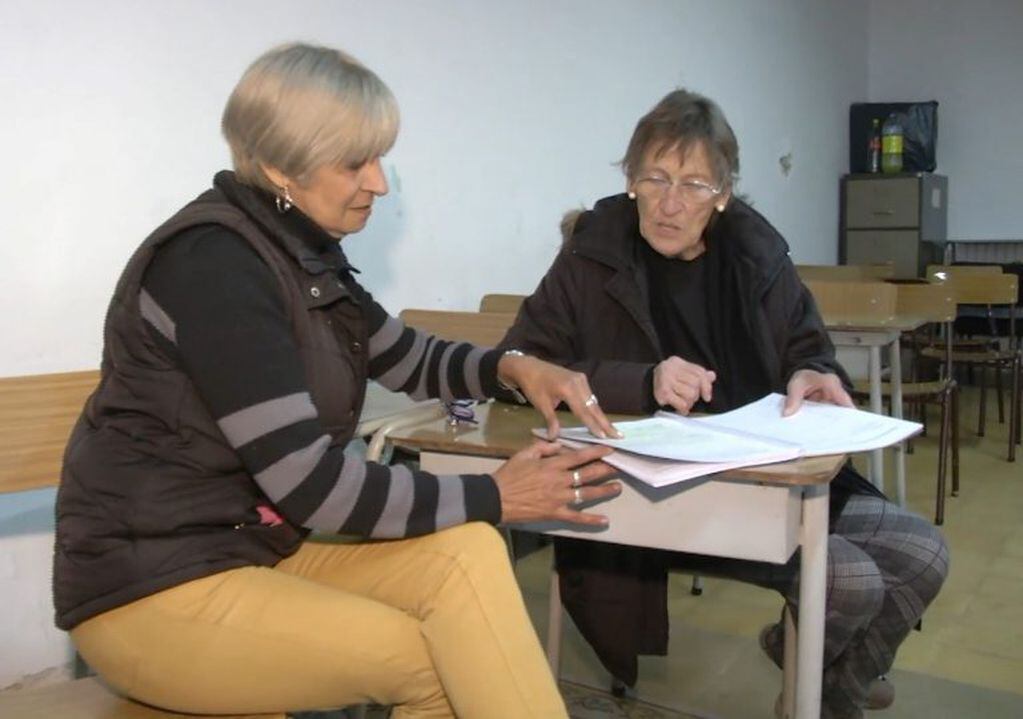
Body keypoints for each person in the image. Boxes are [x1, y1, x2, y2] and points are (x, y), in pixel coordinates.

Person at [53, 43, 624, 719]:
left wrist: (509, 367)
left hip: (249, 549)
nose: (379, 182)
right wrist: (496, 492)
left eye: (379, 157)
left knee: (466, 547)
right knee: (429, 656)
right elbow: (310, 484)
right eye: (355, 161)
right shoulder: (215, 267)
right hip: (151, 585)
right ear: (277, 166)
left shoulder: (301, 257)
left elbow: (408, 357)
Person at [498, 89, 950, 719]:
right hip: (658, 488)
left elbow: (807, 345)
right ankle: (823, 696)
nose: (671, 202)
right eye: (654, 178)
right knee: (852, 581)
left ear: (724, 193)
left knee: (925, 555)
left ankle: (815, 677)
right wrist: (644, 381)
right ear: (631, 180)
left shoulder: (756, 252)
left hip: (770, 471)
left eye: (694, 183)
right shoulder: (592, 251)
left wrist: (814, 373)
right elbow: (520, 363)